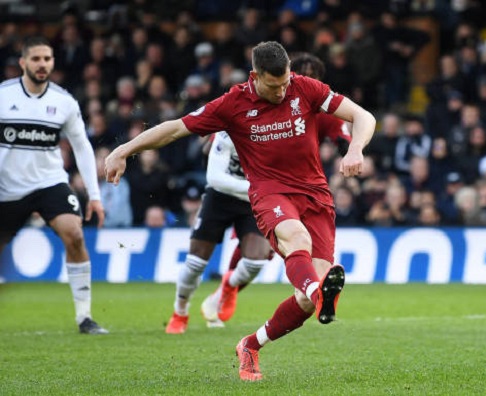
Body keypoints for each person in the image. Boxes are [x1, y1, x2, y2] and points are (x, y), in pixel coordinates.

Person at [105, 41, 375, 381]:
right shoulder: (232, 104)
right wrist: (123, 150)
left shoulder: (304, 88)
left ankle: (251, 344)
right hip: (270, 193)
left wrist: (356, 150)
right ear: (255, 76)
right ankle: (316, 291)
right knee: (297, 239)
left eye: (285, 83)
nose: (281, 92)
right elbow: (175, 128)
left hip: (316, 196)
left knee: (306, 302)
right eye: (273, 86)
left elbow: (363, 116)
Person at [196, 52, 352, 330]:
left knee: (266, 256)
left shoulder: (320, 108)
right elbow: (214, 131)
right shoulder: (259, 104)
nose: (294, 88)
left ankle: (228, 287)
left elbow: (343, 138)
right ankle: (225, 290)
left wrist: (353, 154)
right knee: (266, 248)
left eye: (312, 79)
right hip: (268, 188)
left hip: (308, 191)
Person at [0, 37, 108, 334]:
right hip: (7, 186)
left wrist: (94, 196)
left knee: (74, 234)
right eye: (36, 59)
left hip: (49, 182)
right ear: (23, 62)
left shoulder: (63, 101)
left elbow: (82, 147)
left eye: (47, 59)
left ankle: (85, 317)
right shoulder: (3, 96)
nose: (42, 64)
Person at [165, 130, 273, 333]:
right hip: (220, 199)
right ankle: (180, 312)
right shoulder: (228, 131)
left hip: (253, 203)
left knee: (256, 261)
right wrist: (258, 186)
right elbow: (215, 178)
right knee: (195, 263)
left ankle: (226, 287)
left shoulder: (278, 133)